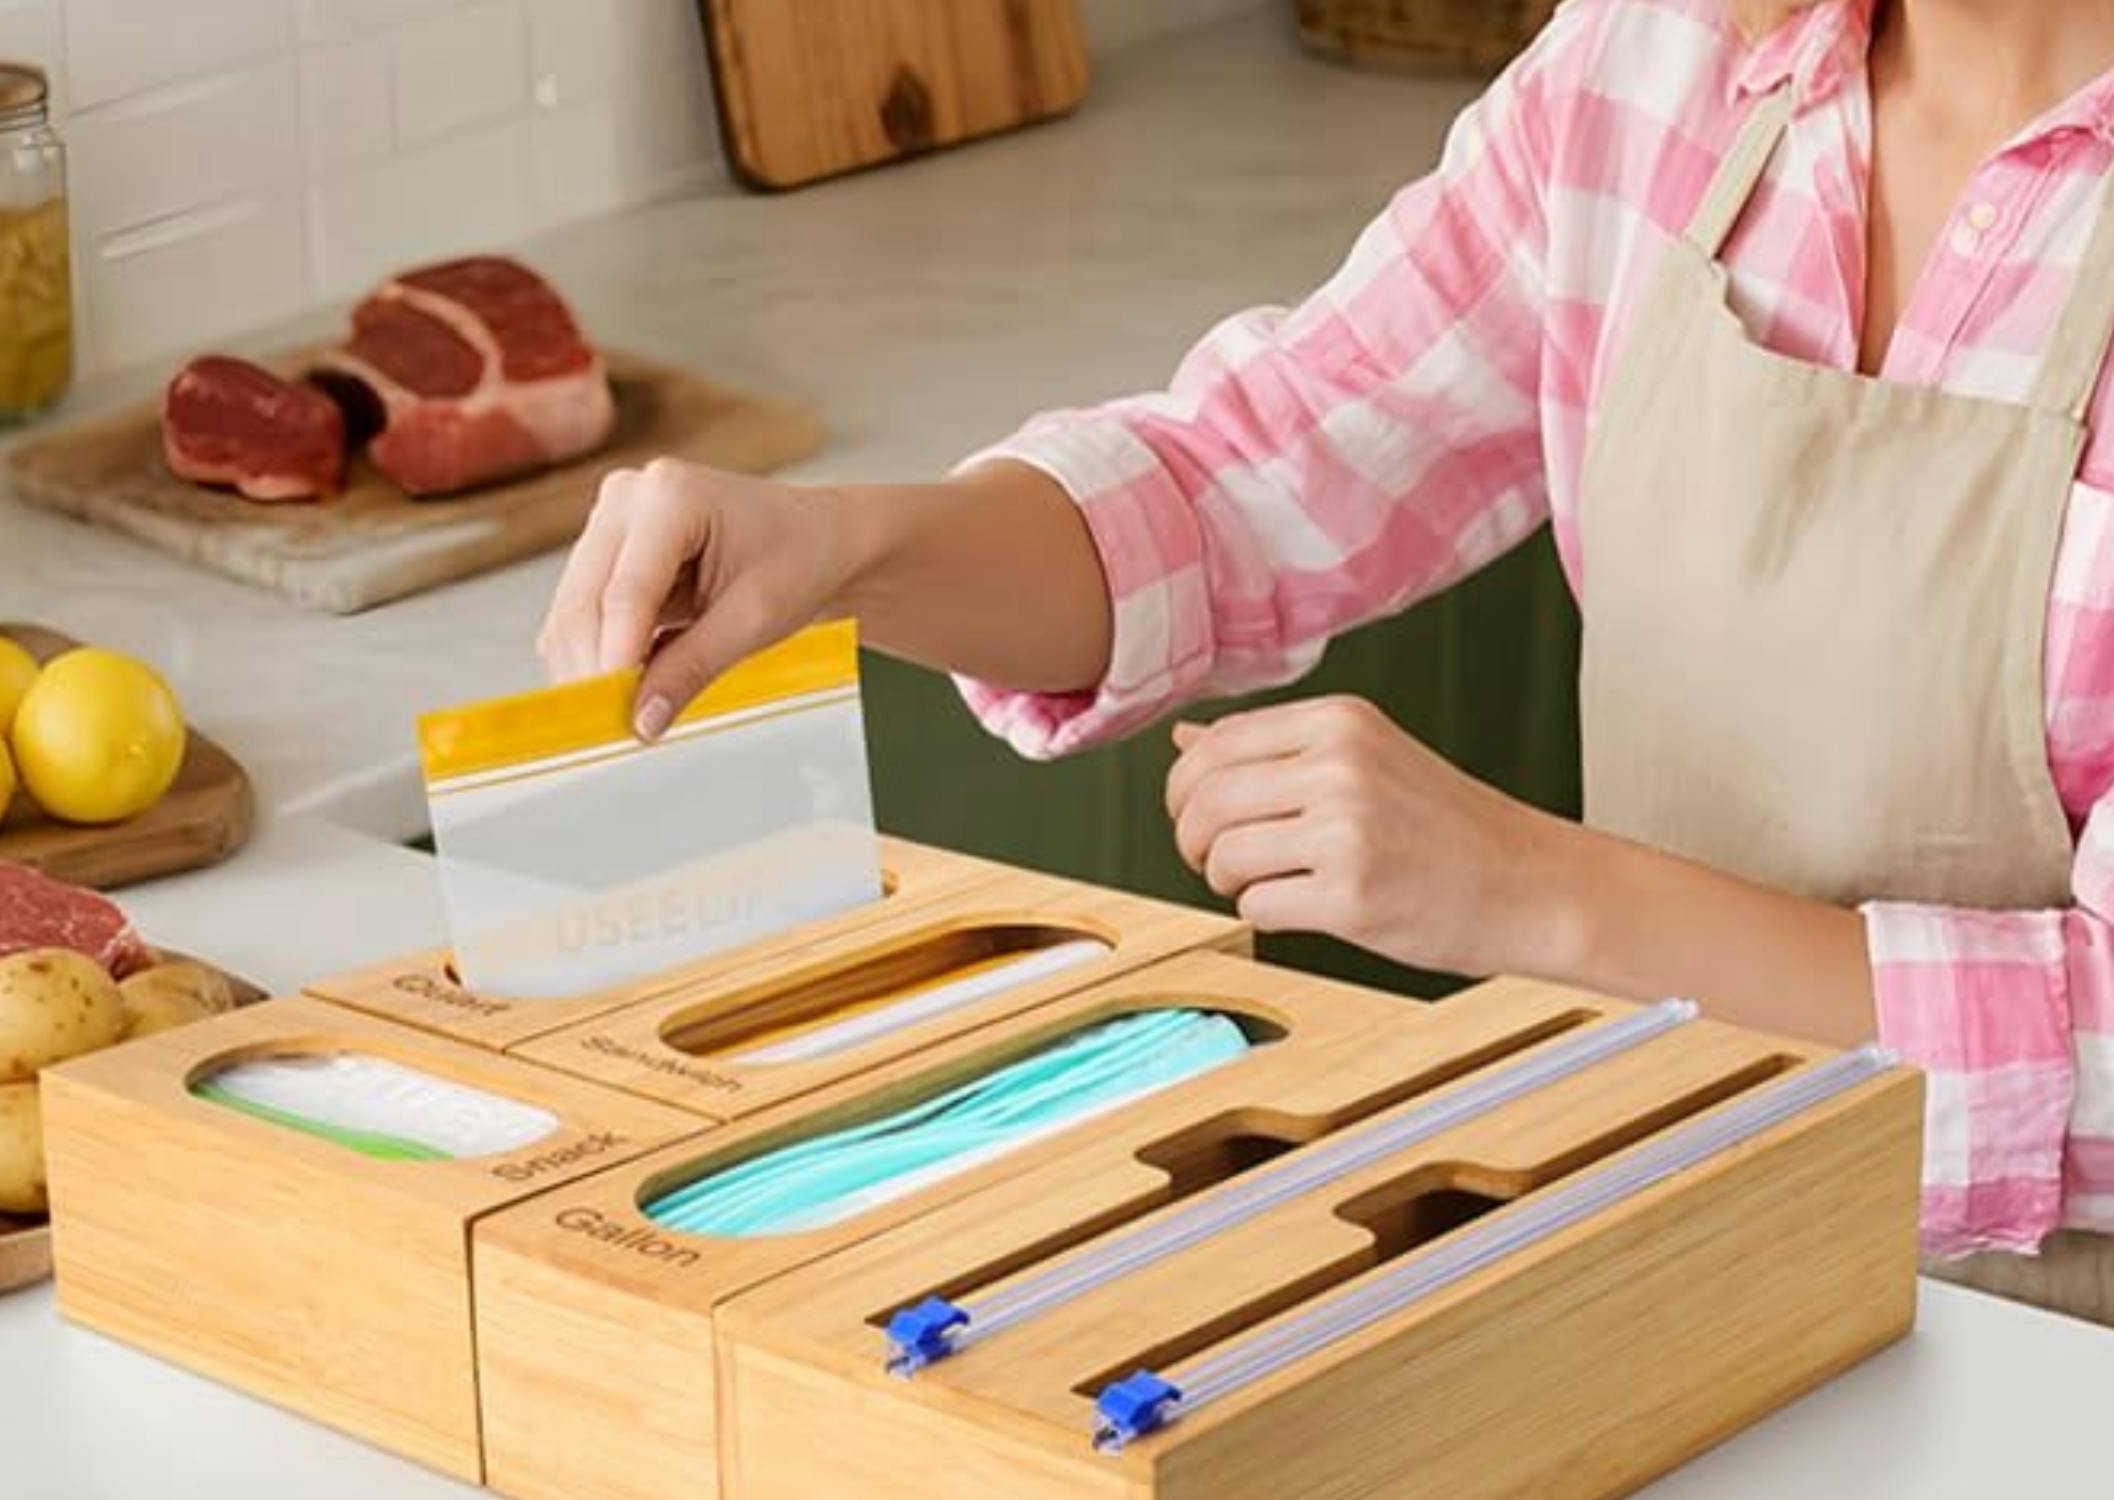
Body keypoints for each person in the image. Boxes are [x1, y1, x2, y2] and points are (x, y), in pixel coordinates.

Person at [537, 0, 2114, 1324]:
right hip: (1666, 1240)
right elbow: (1252, 475)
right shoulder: (1661, 63)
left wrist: (1534, 895)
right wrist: (853, 546)